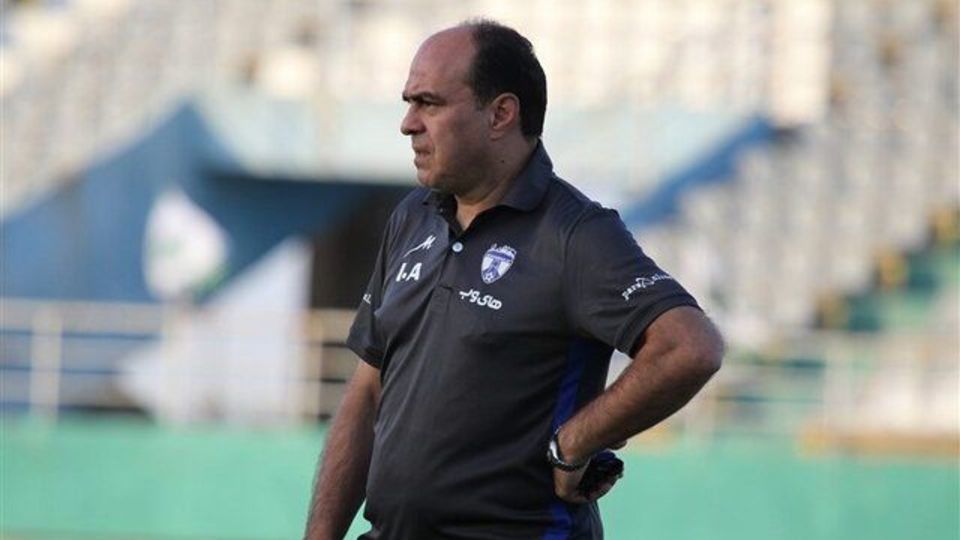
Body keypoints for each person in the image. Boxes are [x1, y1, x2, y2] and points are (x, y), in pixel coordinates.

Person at [304, 19, 724, 540]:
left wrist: (575, 443)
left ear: (501, 114)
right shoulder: (412, 217)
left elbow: (690, 347)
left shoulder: (574, 234)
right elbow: (368, 390)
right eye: (409, 103)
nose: (408, 124)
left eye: (429, 104)